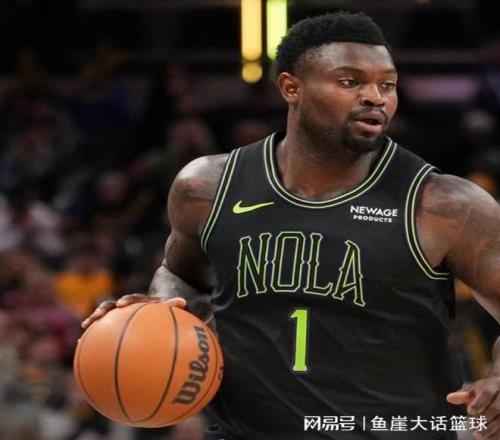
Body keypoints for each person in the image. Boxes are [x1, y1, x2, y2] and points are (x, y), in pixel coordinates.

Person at [83, 11, 500, 440]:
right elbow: (182, 275)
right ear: (291, 87)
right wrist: (157, 311)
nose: (375, 97)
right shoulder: (207, 187)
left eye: (387, 85)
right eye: (350, 81)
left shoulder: (443, 203)